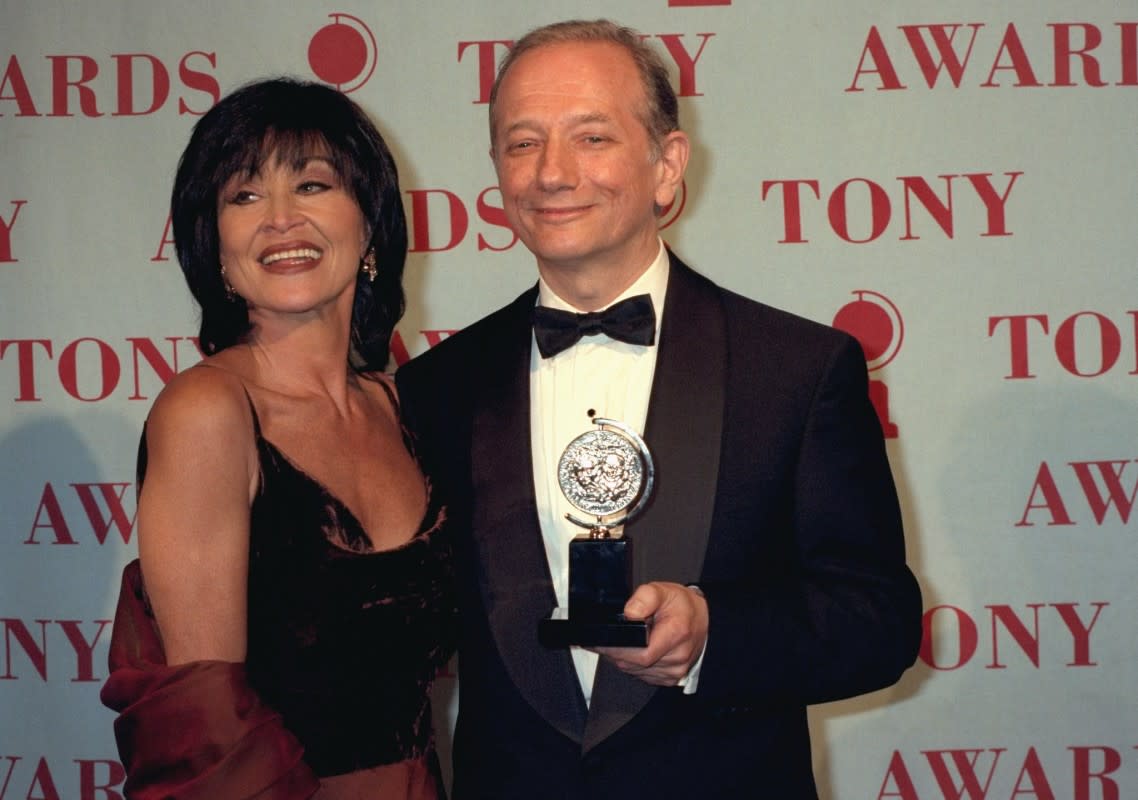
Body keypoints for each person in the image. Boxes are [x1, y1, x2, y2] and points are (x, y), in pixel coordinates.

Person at [395, 19, 923, 799]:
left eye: (593, 137)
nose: (551, 173)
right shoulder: (435, 387)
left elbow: (878, 624)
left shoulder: (797, 371)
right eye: (521, 142)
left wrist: (715, 634)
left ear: (667, 165)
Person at [100, 78, 456, 799]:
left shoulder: (404, 406)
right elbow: (206, 728)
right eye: (244, 196)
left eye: (313, 184)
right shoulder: (207, 410)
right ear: (217, 248)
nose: (280, 220)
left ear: (369, 226)